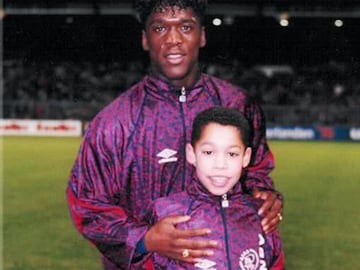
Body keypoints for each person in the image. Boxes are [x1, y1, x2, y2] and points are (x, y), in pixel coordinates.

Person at [66, 0, 283, 269]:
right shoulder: (114, 122)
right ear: (145, 40)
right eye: (159, 28)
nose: (173, 40)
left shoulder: (237, 105)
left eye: (185, 27)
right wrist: (145, 239)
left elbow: (256, 171)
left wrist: (264, 194)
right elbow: (87, 205)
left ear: (201, 36)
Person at [150, 106, 284, 269]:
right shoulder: (166, 212)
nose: (220, 165)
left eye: (232, 154)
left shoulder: (262, 214)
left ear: (246, 157)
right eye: (208, 152)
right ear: (191, 154)